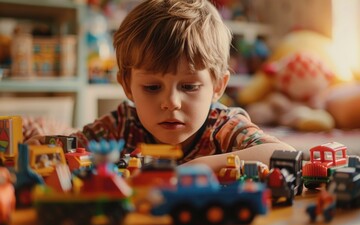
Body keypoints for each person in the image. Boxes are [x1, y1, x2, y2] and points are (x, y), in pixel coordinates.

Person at [25, 0, 295, 172]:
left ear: (218, 86)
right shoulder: (122, 124)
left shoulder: (223, 126)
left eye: (189, 87)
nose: (171, 102)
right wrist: (44, 145)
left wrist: (200, 166)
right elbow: (74, 144)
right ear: (127, 86)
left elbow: (284, 154)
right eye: (152, 87)